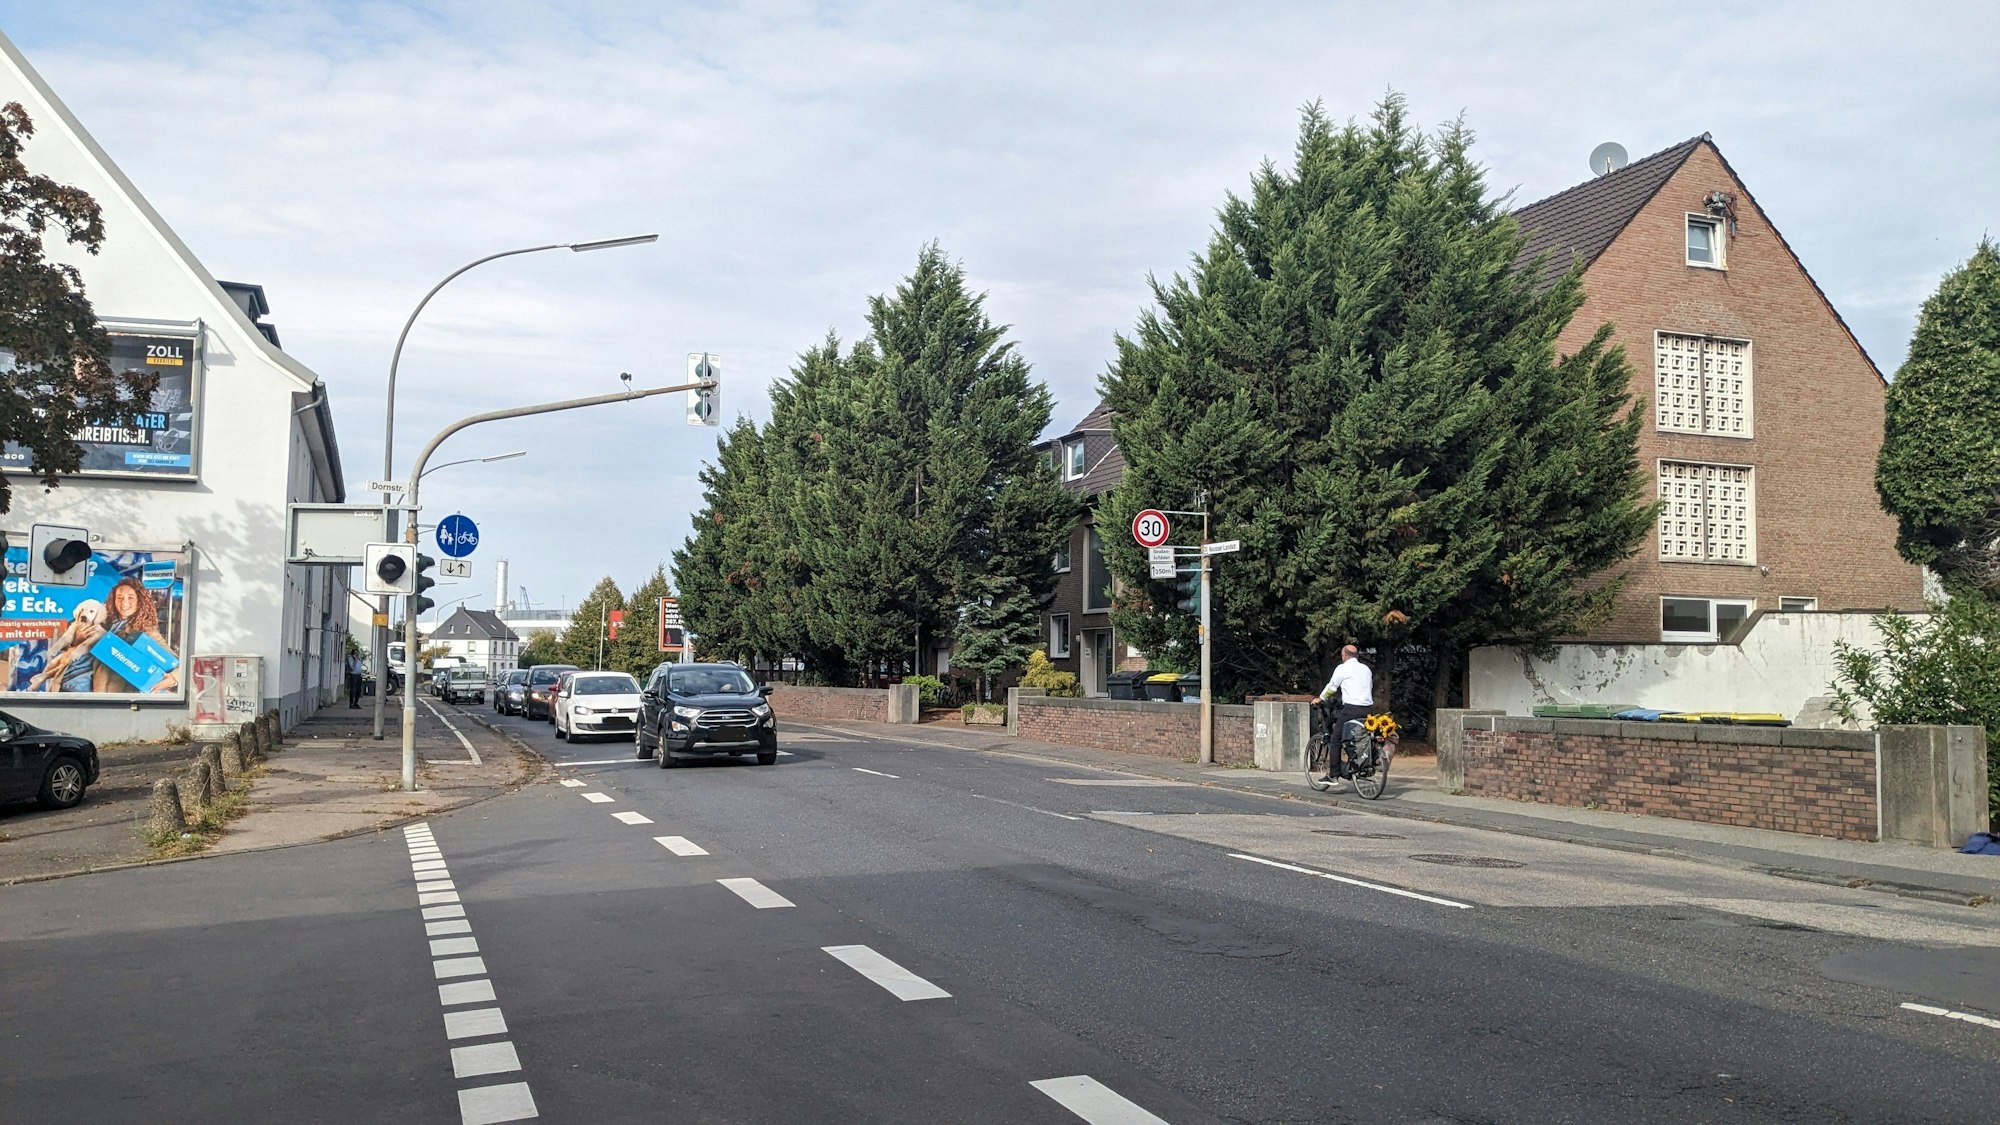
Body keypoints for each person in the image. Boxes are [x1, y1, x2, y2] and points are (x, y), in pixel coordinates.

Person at [1315, 645, 1374, 786]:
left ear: (1344, 655)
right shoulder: (1366, 669)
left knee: (1336, 739)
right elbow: (1368, 687)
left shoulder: (1342, 668)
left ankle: (1333, 775)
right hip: (1367, 708)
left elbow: (1332, 687)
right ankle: (1359, 765)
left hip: (1351, 709)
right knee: (1360, 736)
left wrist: (1321, 698)